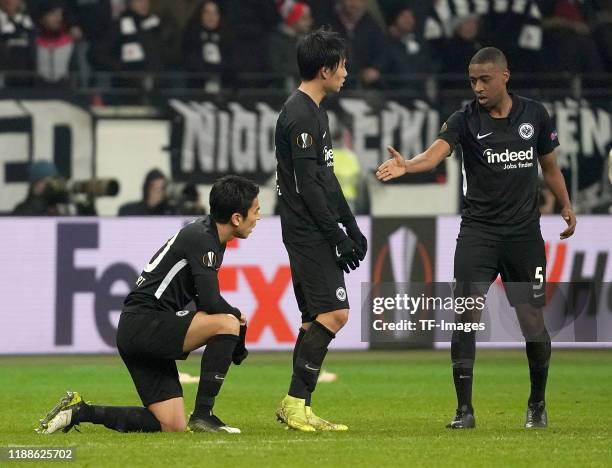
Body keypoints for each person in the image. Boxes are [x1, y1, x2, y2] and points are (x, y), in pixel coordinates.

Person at [376, 47, 577, 429]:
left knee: (532, 320)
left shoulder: (534, 114)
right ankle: (464, 410)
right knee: (465, 316)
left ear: (505, 76)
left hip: (523, 236)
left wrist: (566, 204)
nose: (478, 87)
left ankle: (537, 402)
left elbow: (549, 166)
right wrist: (408, 165)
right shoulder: (464, 119)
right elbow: (435, 156)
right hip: (478, 234)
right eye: (472, 81)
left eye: (484, 80)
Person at [36, 175, 260, 434]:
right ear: (236, 218)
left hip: (138, 327)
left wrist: (235, 332)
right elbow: (210, 302)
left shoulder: (205, 234)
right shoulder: (204, 239)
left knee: (171, 424)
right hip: (145, 324)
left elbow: (203, 301)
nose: (258, 218)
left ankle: (80, 411)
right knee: (226, 322)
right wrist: (237, 323)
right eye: (255, 211)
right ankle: (203, 415)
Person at [274, 28, 367, 432]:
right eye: (342, 65)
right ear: (326, 69)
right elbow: (307, 186)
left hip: (316, 228)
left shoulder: (316, 111)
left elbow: (327, 179)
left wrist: (351, 227)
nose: (347, 72)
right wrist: (335, 236)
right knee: (336, 312)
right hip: (305, 230)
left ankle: (301, 407)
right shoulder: (298, 114)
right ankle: (294, 401)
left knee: (315, 319)